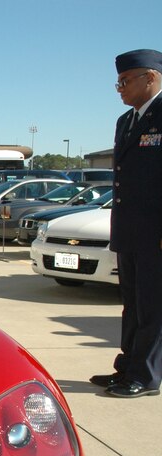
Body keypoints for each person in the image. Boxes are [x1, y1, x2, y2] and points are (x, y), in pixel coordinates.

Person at [90, 49, 162, 398]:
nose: (119, 88)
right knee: (132, 305)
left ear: (150, 77)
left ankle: (146, 376)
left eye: (124, 81)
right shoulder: (126, 121)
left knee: (153, 307)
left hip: (156, 234)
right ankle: (127, 368)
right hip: (130, 230)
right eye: (117, 82)